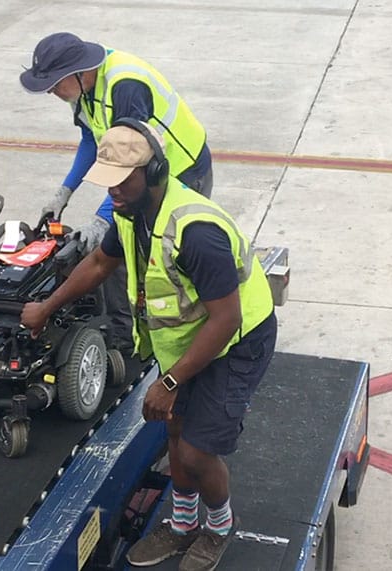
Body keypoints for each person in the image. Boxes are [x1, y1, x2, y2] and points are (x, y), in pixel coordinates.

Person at [21, 121, 276, 571]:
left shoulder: (196, 232)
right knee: (174, 429)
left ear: (154, 171)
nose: (113, 192)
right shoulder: (130, 213)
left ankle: (217, 527)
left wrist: (172, 380)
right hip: (189, 337)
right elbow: (101, 262)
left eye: (122, 181)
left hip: (237, 340)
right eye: (108, 183)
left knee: (198, 449)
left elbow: (227, 318)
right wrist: (46, 305)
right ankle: (181, 525)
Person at [20, 32, 215, 351]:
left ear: (79, 73)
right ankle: (124, 324)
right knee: (115, 244)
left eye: (55, 84)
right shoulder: (84, 89)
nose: (52, 92)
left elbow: (130, 166)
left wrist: (101, 220)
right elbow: (91, 140)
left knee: (132, 254)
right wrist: (64, 192)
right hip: (142, 174)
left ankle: (128, 340)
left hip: (181, 172)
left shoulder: (125, 87)